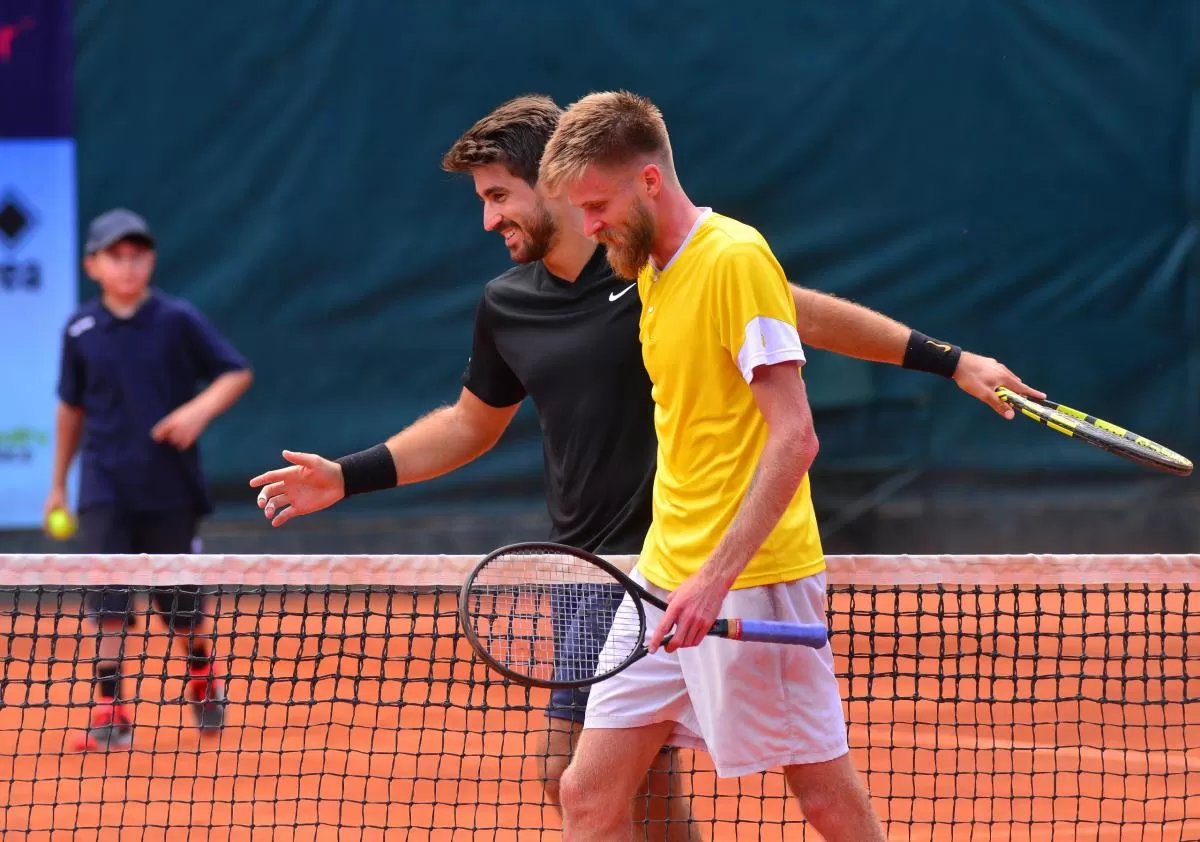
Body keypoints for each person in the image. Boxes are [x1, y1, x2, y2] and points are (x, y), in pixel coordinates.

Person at [249, 95, 1037, 838]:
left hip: (715, 561)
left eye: (499, 196)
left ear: (556, 183)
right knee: (591, 786)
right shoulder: (544, 295)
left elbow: (797, 321)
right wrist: (346, 476)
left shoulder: (674, 261)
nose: (489, 219)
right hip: (606, 568)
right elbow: (469, 422)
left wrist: (950, 361)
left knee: (767, 789)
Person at [536, 89, 893, 841]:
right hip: (662, 578)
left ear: (650, 182)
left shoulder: (734, 259)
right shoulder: (650, 271)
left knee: (825, 801)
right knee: (586, 793)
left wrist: (715, 580)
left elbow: (795, 437)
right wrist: (683, 577)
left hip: (754, 581)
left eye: (597, 206)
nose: (589, 226)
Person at [47, 208, 253, 751]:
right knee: (108, 608)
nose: (128, 265)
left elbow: (235, 371)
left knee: (182, 611)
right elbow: (70, 409)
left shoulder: (177, 319)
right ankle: (111, 710)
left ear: (151, 261)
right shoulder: (80, 329)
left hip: (170, 488)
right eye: (116, 256)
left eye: (137, 255)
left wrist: (196, 411)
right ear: (93, 265)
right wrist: (57, 485)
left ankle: (202, 678)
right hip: (103, 489)